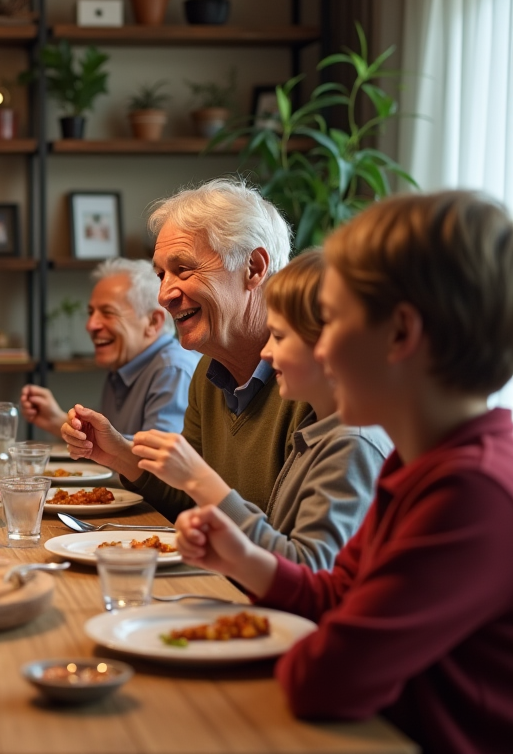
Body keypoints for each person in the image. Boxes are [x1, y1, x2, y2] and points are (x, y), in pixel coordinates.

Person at [173, 192, 513, 754]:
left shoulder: (470, 490)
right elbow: (334, 595)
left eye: (329, 322)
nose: (318, 348)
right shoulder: (417, 461)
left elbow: (326, 678)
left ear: (401, 334)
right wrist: (240, 557)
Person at [62, 178, 314, 521]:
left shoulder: (313, 381)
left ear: (253, 268)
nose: (164, 294)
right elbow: (189, 498)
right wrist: (118, 453)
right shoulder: (208, 372)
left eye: (183, 269)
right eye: (161, 275)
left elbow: (298, 556)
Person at [130, 250, 390, 570]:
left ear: (330, 344)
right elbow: (281, 544)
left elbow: (307, 572)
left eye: (278, 336)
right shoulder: (316, 433)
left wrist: (201, 482)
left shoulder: (353, 443)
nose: (266, 352)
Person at [21, 258, 199, 439]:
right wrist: (57, 422)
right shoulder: (121, 368)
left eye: (108, 313)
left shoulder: (173, 370)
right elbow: (115, 449)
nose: (90, 325)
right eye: (91, 313)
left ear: (153, 322)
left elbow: (159, 461)